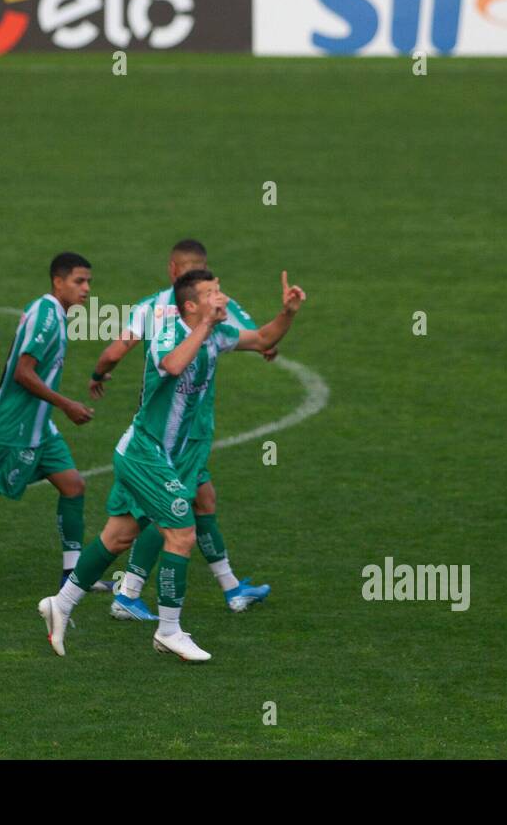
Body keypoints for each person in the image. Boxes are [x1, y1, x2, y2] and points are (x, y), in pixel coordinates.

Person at [38, 268, 307, 661]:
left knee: (118, 536)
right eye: (213, 293)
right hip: (145, 453)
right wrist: (205, 328)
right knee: (181, 534)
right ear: (191, 306)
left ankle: (60, 604)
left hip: (162, 455)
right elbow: (174, 365)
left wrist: (288, 313)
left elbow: (264, 338)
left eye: (221, 289)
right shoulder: (168, 332)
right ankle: (169, 631)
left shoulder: (215, 333)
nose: (223, 298)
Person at [90, 239, 272, 621]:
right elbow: (261, 342)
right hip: (179, 433)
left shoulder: (148, 307)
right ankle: (129, 594)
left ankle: (231, 588)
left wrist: (99, 374)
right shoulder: (218, 304)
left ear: (173, 270)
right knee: (167, 514)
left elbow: (114, 352)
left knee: (201, 501)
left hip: (169, 427)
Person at [0, 252, 114, 592]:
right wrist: (66, 404)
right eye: (79, 281)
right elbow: (23, 373)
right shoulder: (47, 318)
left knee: (73, 486)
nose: (86, 289)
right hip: (16, 426)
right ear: (58, 281)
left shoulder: (52, 312)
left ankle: (72, 575)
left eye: (89, 283)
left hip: (40, 427)